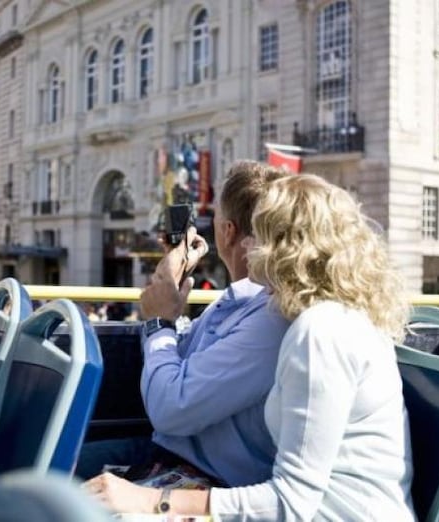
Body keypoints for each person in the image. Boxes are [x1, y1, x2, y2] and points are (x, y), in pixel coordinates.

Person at [85, 174, 416, 520]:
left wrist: (151, 500)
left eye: (258, 233)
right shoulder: (328, 318)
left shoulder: (319, 332)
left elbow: (290, 503)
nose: (245, 246)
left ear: (288, 248)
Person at [76, 161, 291, 487]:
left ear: (227, 231)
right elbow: (184, 357)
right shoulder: (236, 300)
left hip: (209, 477)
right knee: (48, 463)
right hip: (170, 454)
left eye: (215, 216)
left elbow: (170, 408)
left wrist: (159, 322)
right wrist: (171, 283)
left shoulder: (269, 318)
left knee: (47, 478)